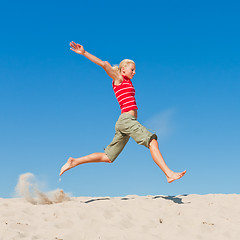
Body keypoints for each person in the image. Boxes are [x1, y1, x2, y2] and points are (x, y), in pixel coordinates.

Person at [59, 41, 186, 183]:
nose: (134, 72)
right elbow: (105, 64)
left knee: (108, 157)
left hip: (124, 123)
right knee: (152, 141)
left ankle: (74, 161)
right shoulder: (119, 79)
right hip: (127, 121)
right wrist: (84, 53)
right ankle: (168, 173)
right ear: (123, 69)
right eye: (132, 69)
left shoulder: (128, 82)